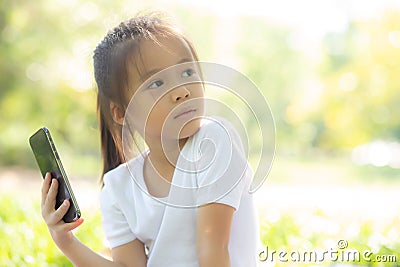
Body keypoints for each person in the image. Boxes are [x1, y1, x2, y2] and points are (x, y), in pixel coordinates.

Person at [41, 13, 260, 267]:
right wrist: (65, 241)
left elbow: (213, 251)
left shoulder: (214, 140)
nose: (182, 91)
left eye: (187, 71)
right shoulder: (118, 187)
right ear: (121, 112)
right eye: (156, 82)